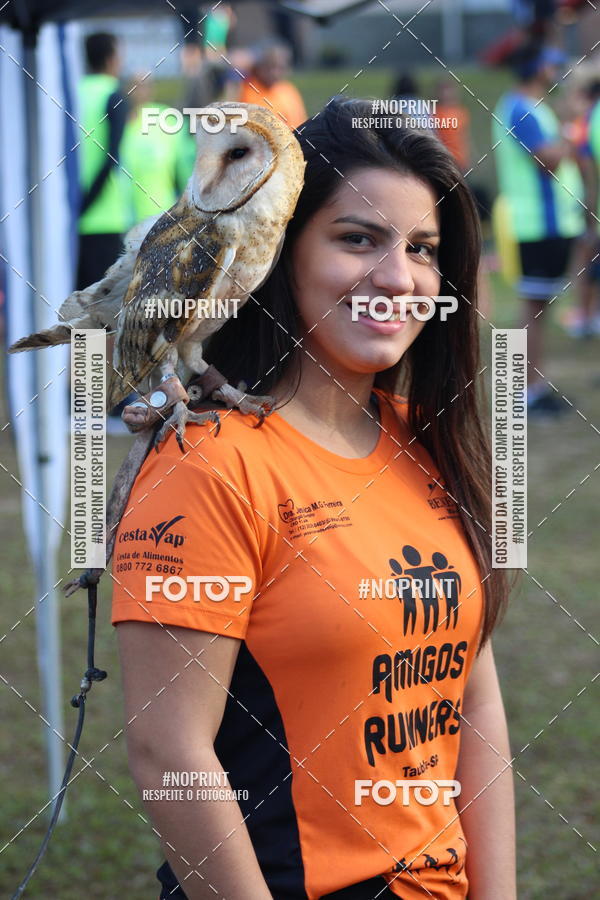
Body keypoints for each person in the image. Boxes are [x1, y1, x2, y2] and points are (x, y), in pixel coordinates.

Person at [112, 99, 516, 900]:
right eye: (358, 239)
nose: (398, 278)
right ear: (281, 251)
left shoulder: (425, 439)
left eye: (423, 249)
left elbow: (474, 701)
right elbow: (169, 752)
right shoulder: (210, 465)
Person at [492, 42, 585, 416]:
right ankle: (525, 392)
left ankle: (534, 387)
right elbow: (549, 161)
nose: (556, 71)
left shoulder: (530, 107)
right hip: (536, 225)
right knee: (531, 309)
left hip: (549, 224)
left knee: (538, 309)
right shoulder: (519, 107)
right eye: (550, 64)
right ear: (535, 68)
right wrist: (569, 124)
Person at [77, 32, 128, 290]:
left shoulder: (73, 91)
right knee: (100, 310)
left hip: (71, 217)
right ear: (111, 58)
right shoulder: (113, 94)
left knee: (76, 307)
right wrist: (85, 205)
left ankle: (77, 335)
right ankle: (91, 335)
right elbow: (111, 158)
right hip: (103, 216)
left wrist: (74, 208)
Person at [237, 40, 307, 130]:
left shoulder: (289, 91)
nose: (274, 73)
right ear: (259, 66)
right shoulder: (244, 89)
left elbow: (300, 125)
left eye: (280, 68)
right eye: (270, 67)